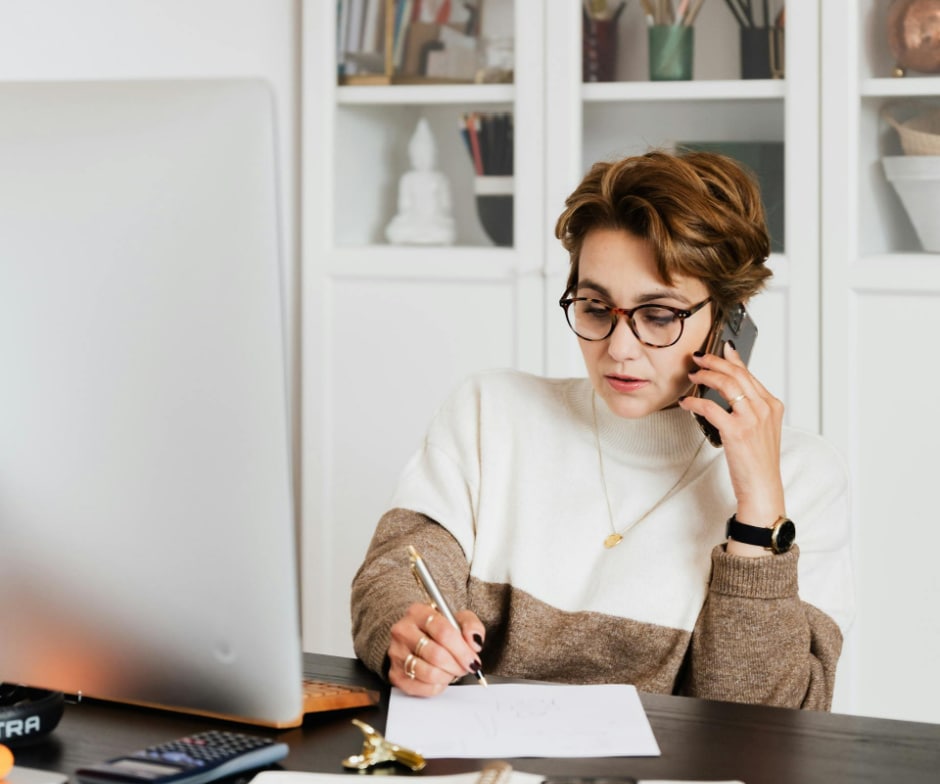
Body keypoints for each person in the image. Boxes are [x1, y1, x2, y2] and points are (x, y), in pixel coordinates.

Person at [352, 149, 854, 710]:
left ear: (730, 318)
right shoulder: (489, 413)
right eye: (594, 308)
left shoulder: (803, 477)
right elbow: (393, 579)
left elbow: (764, 724)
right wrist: (411, 631)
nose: (618, 350)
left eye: (659, 316)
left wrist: (759, 515)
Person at [385, 117, 456, 246]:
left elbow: (446, 206)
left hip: (434, 222)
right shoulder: (407, 179)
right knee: (394, 231)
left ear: (434, 154)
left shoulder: (439, 179)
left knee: (446, 232)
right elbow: (404, 207)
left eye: (426, 153)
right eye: (419, 154)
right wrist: (410, 217)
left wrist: (437, 217)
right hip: (413, 221)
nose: (423, 158)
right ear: (412, 155)